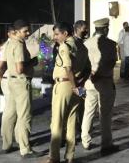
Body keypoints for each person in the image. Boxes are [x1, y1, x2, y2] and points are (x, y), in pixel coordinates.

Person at [0, 19, 40, 158]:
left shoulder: (9, 43)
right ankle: (25, 149)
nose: (27, 33)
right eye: (25, 31)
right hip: (21, 83)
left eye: (28, 30)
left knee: (10, 113)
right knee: (24, 116)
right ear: (16, 32)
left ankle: (7, 144)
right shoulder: (19, 45)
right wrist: (32, 62)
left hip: (12, 81)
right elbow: (20, 68)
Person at [81, 18, 118, 155]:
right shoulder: (110, 44)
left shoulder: (86, 43)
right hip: (104, 82)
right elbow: (111, 63)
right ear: (105, 29)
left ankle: (85, 141)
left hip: (89, 82)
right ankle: (106, 144)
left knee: (88, 111)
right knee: (105, 114)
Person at [46, 22, 80, 163]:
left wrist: (73, 86)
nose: (54, 37)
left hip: (65, 85)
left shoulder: (64, 47)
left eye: (56, 34)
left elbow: (67, 68)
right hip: (74, 85)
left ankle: (54, 157)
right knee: (71, 122)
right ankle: (70, 156)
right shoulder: (78, 45)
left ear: (65, 34)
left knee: (57, 122)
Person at [72, 20, 91, 135]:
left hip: (83, 79)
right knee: (74, 107)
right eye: (84, 28)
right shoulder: (73, 43)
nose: (86, 31)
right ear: (77, 29)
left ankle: (80, 129)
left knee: (82, 107)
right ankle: (73, 130)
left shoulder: (83, 42)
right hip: (74, 79)